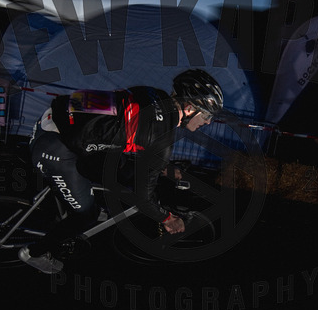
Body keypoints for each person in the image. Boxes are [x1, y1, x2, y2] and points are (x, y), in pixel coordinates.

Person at [18, 69, 224, 273]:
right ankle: (35, 252)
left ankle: (81, 198)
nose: (207, 122)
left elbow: (126, 129)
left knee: (122, 169)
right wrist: (167, 219)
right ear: (189, 108)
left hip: (58, 118)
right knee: (86, 215)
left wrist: (160, 167)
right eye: (207, 115)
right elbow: (143, 200)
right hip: (55, 149)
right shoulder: (161, 140)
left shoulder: (154, 94)